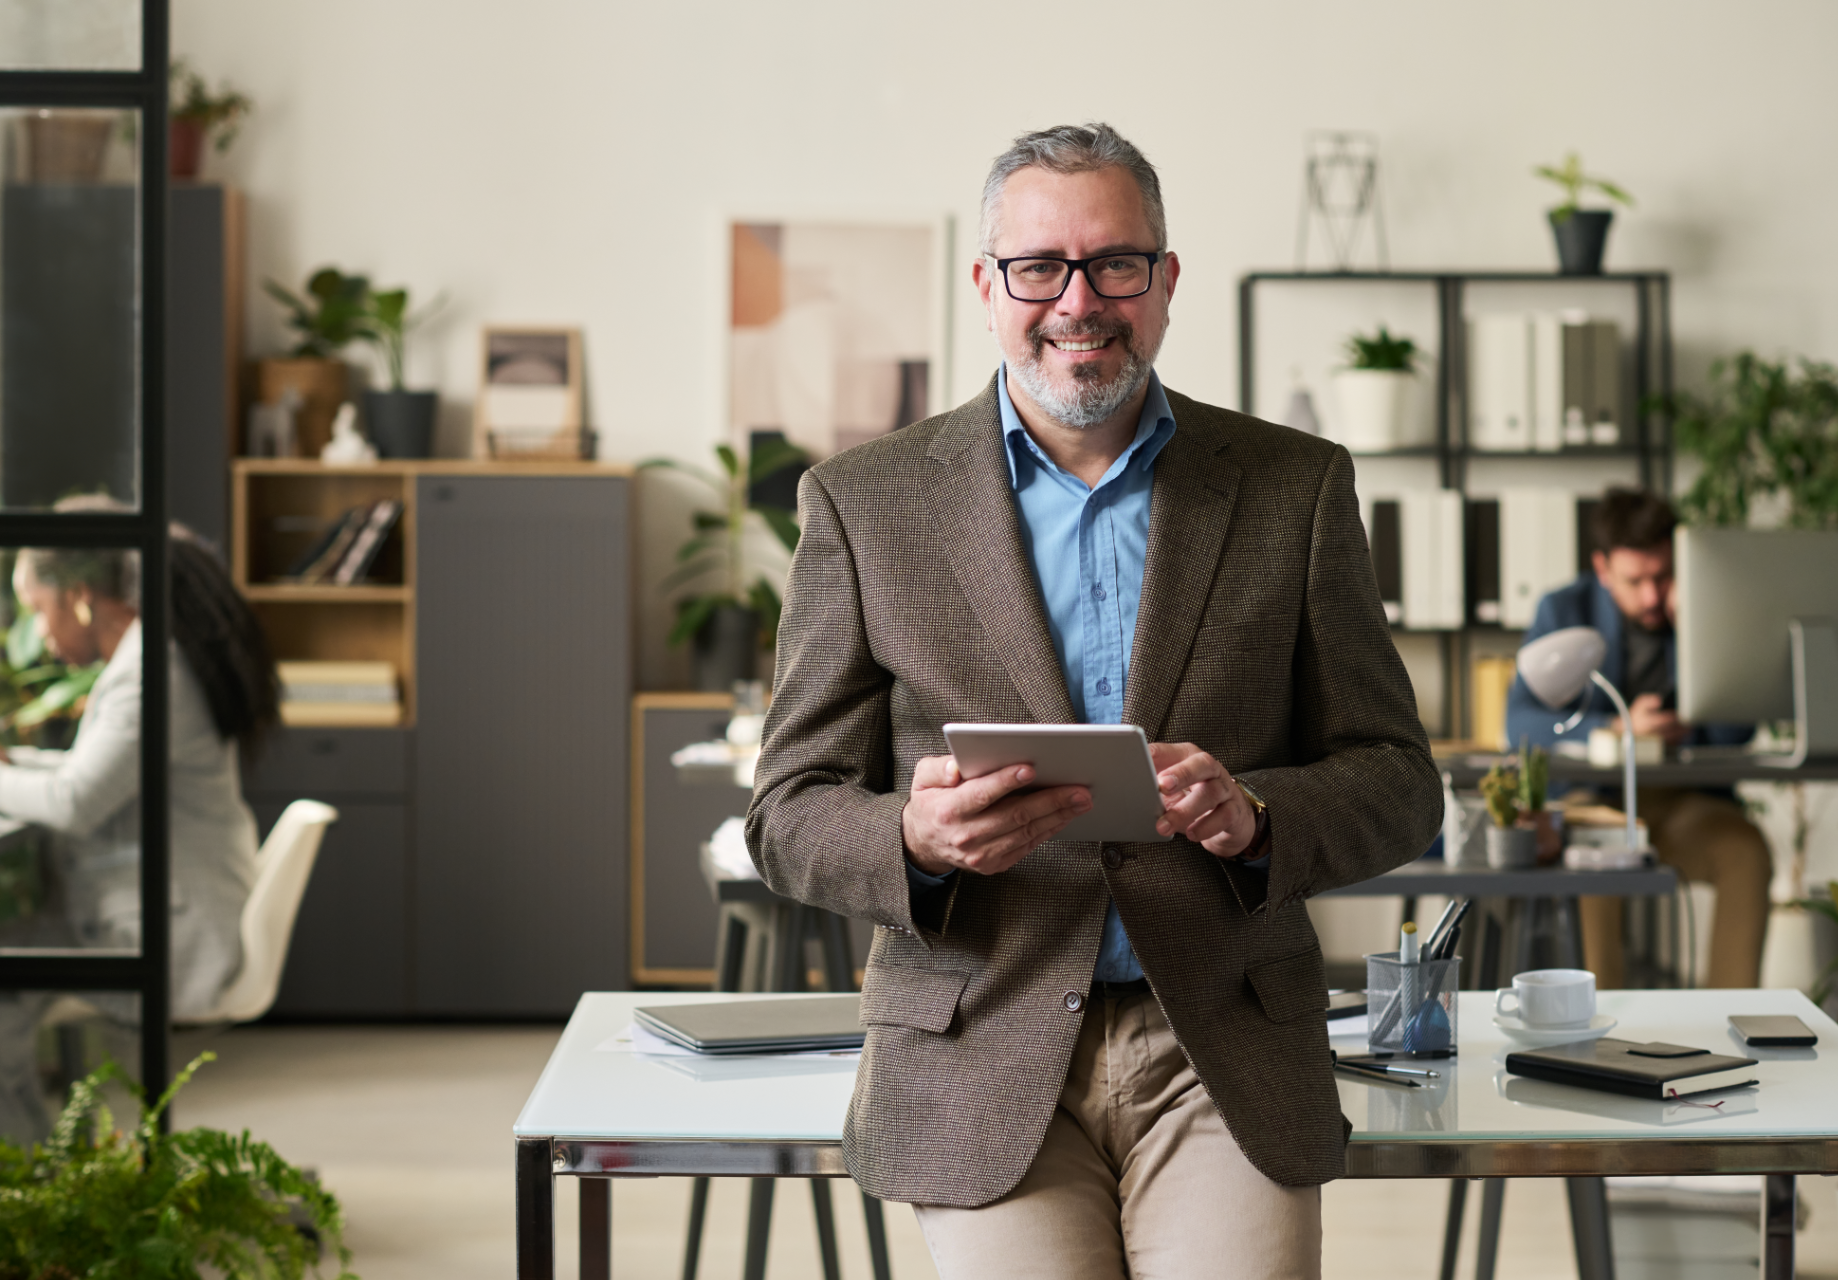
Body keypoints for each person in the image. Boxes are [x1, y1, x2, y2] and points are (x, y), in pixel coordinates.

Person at [745, 123, 1441, 1280]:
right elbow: (786, 811)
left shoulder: (1295, 487)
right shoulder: (863, 503)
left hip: (1221, 1041)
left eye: (1117, 263)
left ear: (1166, 282)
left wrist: (1257, 817)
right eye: (1040, 268)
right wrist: (911, 837)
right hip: (980, 1042)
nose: (1080, 300)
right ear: (987, 286)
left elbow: (1399, 777)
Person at [0, 515, 279, 1140]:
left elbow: (75, 802)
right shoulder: (154, 655)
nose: (38, 635)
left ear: (80, 599)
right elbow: (99, 774)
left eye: (39, 610)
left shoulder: (150, 673)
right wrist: (8, 764)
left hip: (164, 929)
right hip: (161, 906)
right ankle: (52, 1173)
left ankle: (27, 1191)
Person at [1506, 487, 1770, 989]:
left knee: (1746, 851)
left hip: (1686, 803)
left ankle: (1728, 1017)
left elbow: (1739, 731)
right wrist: (1612, 730)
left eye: (1663, 576)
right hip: (1599, 803)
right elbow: (1518, 722)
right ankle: (1600, 1027)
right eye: (1635, 580)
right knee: (1591, 858)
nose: (1651, 596)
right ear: (1602, 569)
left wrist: (1695, 624)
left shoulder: (1704, 611)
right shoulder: (1564, 609)